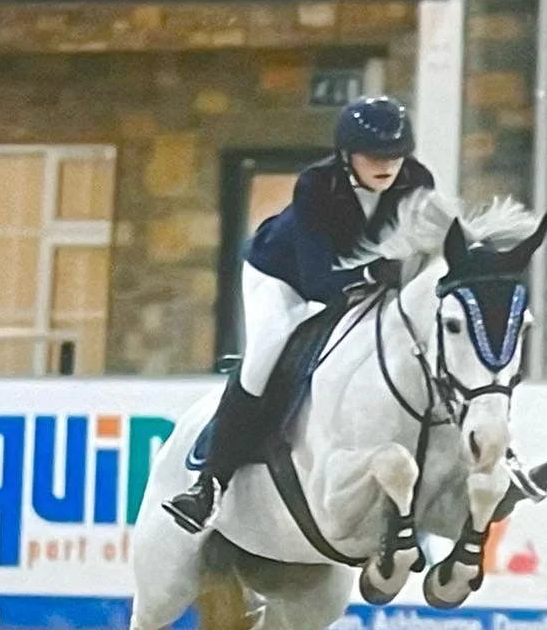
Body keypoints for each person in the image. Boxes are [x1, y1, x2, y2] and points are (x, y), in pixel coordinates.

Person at [163, 95, 435, 534]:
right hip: (284, 276)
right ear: (348, 157)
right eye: (374, 156)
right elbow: (317, 280)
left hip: (361, 283)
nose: (387, 165)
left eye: (395, 156)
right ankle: (210, 484)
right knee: (269, 347)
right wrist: (373, 271)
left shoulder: (417, 182)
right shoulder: (316, 185)